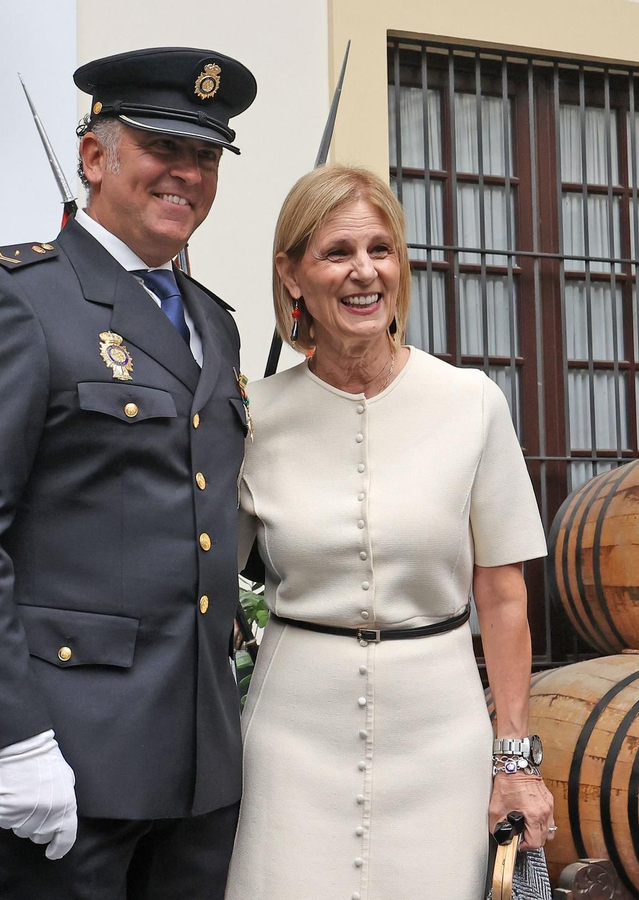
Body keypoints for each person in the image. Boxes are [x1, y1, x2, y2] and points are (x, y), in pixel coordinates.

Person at [0, 47, 256, 900]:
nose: (187, 174)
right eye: (162, 147)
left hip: (199, 763)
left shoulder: (212, 320)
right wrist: (14, 739)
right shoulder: (14, 297)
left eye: (206, 156)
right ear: (95, 157)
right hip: (69, 754)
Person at [225, 165, 556, 899]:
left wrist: (516, 762)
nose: (364, 272)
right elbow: (205, 578)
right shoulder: (249, 414)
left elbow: (502, 599)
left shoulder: (471, 403)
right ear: (292, 275)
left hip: (441, 737)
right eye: (338, 252)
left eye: (381, 249)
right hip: (290, 740)